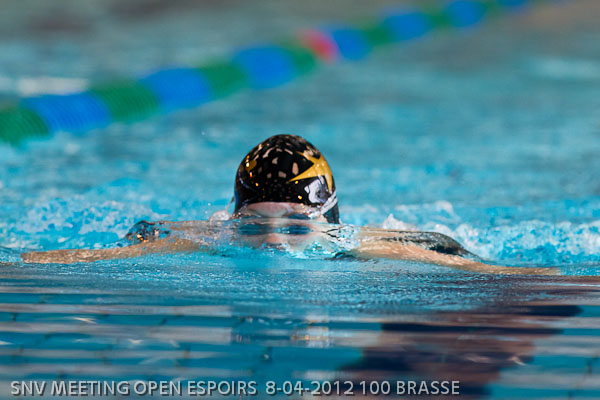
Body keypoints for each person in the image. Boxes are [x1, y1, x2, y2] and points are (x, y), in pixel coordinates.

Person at [21, 134, 554, 275]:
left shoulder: (359, 245)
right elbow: (102, 256)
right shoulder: (209, 239)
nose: (274, 242)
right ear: (234, 220)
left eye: (297, 226)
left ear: (328, 224)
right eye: (253, 226)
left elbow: (469, 265)